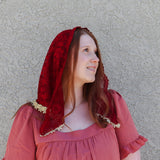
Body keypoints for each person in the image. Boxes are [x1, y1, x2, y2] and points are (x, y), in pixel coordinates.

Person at [3, 26, 147, 160]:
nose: (96, 59)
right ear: (63, 57)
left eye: (96, 52)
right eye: (86, 50)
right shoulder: (31, 118)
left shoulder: (110, 105)